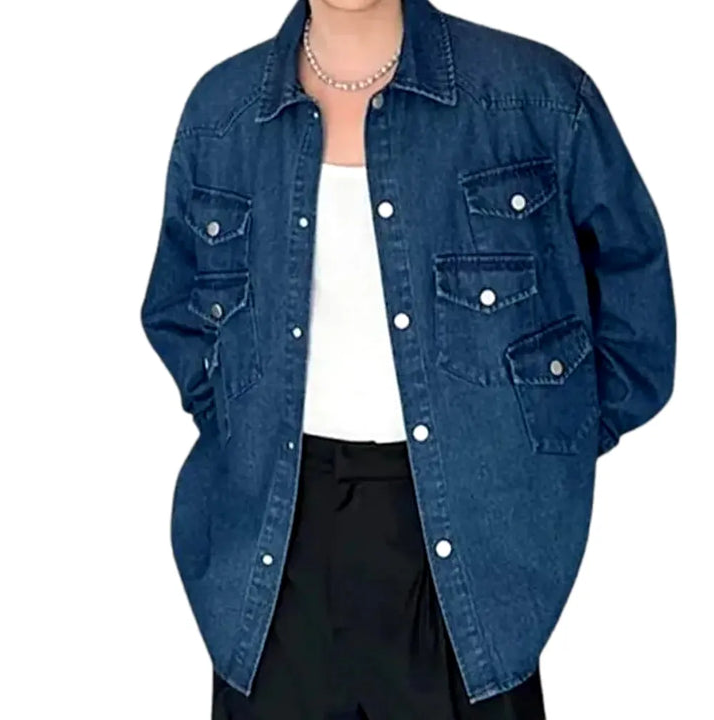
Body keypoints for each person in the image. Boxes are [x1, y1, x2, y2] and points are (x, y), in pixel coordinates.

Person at [139, 0, 677, 718]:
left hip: (472, 550)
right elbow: (179, 316)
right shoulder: (222, 115)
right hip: (271, 551)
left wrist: (543, 449)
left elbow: (636, 310)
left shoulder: (535, 98)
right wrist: (247, 436)